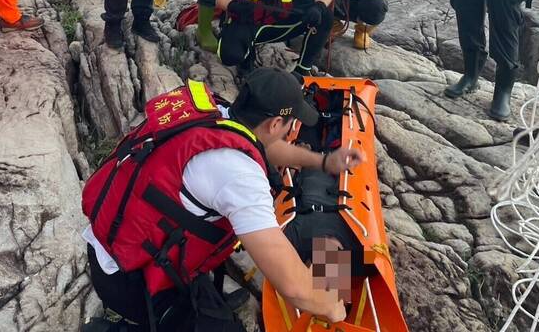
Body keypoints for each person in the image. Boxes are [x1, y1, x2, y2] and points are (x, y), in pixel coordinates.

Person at [82, 67, 362, 331]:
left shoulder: (219, 113)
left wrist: (323, 162)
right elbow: (293, 285)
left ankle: (206, 304)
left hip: (115, 245)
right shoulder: (239, 176)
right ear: (276, 123)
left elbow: (265, 147)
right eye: (291, 124)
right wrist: (331, 307)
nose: (290, 132)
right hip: (131, 282)